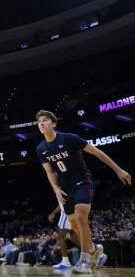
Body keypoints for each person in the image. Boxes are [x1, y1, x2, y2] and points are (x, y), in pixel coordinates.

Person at [35, 109, 131, 273]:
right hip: (65, 188)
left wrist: (118, 169)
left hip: (82, 181)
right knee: (75, 227)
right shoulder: (40, 148)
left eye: (45, 120)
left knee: (81, 216)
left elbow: (96, 151)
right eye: (39, 121)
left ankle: (85, 260)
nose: (41, 123)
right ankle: (95, 250)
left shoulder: (68, 138)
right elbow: (50, 172)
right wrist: (56, 189)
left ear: (54, 123)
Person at [48, 204, 82, 269]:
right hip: (72, 211)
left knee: (61, 236)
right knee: (74, 238)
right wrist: (53, 213)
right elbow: (61, 203)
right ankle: (91, 254)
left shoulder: (62, 193)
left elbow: (63, 202)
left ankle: (65, 262)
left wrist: (53, 213)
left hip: (67, 212)